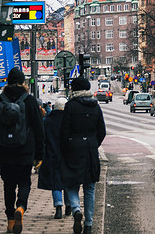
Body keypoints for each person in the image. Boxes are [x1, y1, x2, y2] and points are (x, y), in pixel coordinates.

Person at [0, 66, 44, 234]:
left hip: (5, 151)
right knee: (24, 181)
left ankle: (10, 220)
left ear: (7, 82)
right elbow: (40, 130)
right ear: (23, 82)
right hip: (25, 151)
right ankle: (21, 207)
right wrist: (40, 155)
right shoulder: (30, 101)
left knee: (8, 186)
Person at [61, 77, 106, 234]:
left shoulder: (70, 106)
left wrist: (65, 147)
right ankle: (88, 224)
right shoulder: (95, 106)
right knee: (90, 187)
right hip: (90, 151)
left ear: (74, 89)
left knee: (71, 184)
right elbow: (102, 131)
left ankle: (75, 209)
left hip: (73, 149)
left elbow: (64, 131)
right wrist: (93, 144)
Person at [37, 99, 68, 219]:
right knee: (68, 181)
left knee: (56, 182)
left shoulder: (47, 121)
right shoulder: (68, 121)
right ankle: (70, 205)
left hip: (51, 154)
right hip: (66, 155)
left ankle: (58, 205)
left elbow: (42, 139)